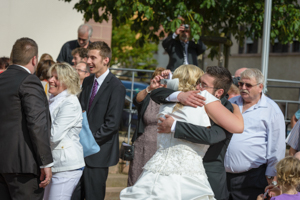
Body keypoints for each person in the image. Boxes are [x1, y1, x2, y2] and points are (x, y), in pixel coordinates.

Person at [120, 65, 244, 200]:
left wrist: (175, 126)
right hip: (175, 169)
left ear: (219, 92)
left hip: (207, 171)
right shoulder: (184, 98)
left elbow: (217, 134)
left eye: (203, 84)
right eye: (197, 82)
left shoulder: (222, 105)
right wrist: (179, 94)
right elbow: (157, 93)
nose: (197, 87)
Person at [0, 37, 53, 199]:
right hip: (24, 166)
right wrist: (46, 162)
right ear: (34, 59)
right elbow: (37, 124)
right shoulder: (29, 81)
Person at [72, 41, 126, 200]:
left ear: (105, 60)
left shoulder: (117, 87)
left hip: (98, 153)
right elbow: (80, 112)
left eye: (93, 58)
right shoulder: (88, 82)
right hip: (79, 152)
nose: (88, 61)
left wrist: (87, 142)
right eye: (88, 57)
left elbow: (112, 124)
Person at [225, 68, 286, 200]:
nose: (243, 88)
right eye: (240, 84)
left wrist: (272, 177)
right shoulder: (231, 103)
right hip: (223, 176)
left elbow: (277, 146)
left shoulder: (271, 110)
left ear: (260, 87)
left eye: (248, 85)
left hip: (252, 178)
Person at [43, 63, 85, 200]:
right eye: (51, 76)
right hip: (53, 164)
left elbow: (53, 135)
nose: (50, 80)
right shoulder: (53, 100)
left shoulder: (70, 102)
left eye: (56, 77)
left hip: (66, 166)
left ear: (67, 82)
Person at [127, 67, 166, 186]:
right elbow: (136, 100)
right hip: (142, 145)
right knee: (137, 179)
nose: (160, 83)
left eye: (163, 81)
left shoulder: (171, 98)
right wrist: (150, 88)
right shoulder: (148, 96)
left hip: (161, 146)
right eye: (158, 80)